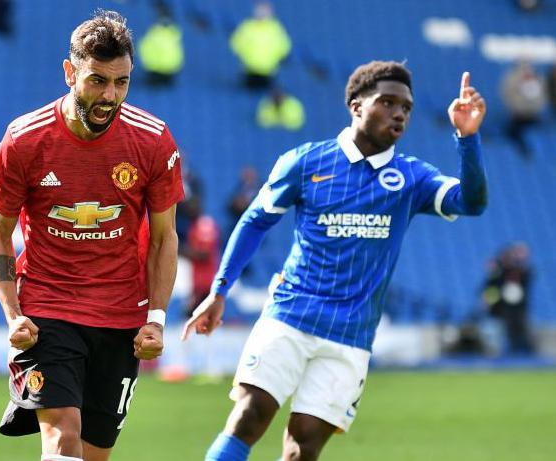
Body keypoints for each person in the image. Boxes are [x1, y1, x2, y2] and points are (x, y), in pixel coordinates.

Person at [183, 61, 488, 461]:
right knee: (251, 414)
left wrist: (467, 138)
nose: (399, 114)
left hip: (351, 335)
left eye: (407, 108)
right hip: (291, 315)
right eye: (388, 102)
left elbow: (472, 202)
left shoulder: (411, 177)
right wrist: (219, 291)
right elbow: (255, 221)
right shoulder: (306, 162)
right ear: (356, 105)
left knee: (303, 446)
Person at [0, 10, 183, 461]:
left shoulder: (152, 141)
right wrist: (13, 314)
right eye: (97, 81)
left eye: (122, 82)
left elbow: (165, 238)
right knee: (62, 439)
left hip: (120, 317)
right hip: (47, 309)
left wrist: (156, 318)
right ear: (70, 72)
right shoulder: (24, 140)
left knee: (94, 453)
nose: (110, 95)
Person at [482, 242, 534, 355]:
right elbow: (489, 289)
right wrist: (488, 301)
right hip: (499, 311)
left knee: (518, 333)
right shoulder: (498, 275)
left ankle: (521, 354)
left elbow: (525, 278)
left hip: (517, 311)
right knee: (498, 337)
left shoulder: (523, 271)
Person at [230, 1, 292, 89]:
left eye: (264, 11)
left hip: (268, 72)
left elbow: (285, 46)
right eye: (260, 11)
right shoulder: (247, 26)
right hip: (249, 71)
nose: (262, 14)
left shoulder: (275, 28)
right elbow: (235, 43)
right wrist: (246, 56)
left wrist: (274, 59)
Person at [501, 60, 547, 158]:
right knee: (513, 131)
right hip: (518, 117)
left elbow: (542, 99)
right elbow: (509, 96)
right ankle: (524, 151)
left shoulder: (538, 80)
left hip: (534, 116)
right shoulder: (513, 81)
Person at [138, 4, 183, 86]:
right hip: (162, 71)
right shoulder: (174, 33)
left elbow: (144, 47)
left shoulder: (157, 33)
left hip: (159, 70)